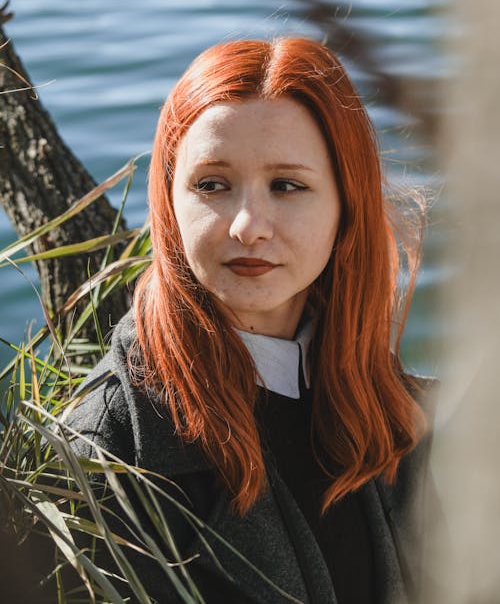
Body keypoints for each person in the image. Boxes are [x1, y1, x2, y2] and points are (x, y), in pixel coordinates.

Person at [64, 37, 438, 604]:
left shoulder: (383, 399)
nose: (247, 226)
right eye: (212, 185)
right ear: (170, 202)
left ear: (346, 205)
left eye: (287, 185)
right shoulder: (111, 444)